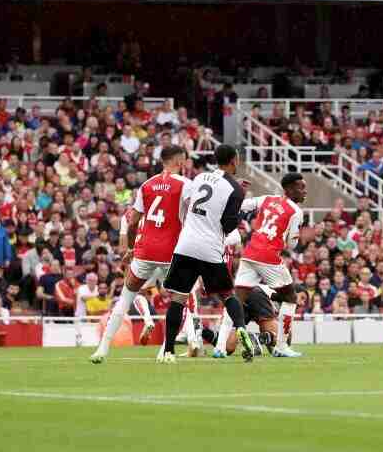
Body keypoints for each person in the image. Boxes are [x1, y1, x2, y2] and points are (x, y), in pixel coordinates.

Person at [91, 146, 190, 364]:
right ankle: (167, 349)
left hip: (145, 252)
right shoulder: (185, 185)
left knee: (125, 298)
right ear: (179, 162)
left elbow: (132, 217)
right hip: (170, 253)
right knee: (179, 300)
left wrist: (129, 244)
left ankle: (102, 348)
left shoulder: (146, 185)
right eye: (184, 161)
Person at [160, 144, 254, 363]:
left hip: (186, 245)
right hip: (210, 248)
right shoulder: (236, 189)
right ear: (234, 160)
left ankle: (169, 351)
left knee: (179, 298)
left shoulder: (199, 178)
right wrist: (238, 201)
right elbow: (229, 225)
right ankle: (240, 328)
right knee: (227, 294)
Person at [218, 172, 307, 358]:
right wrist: (291, 237)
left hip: (250, 253)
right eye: (301, 187)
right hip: (268, 256)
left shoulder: (268, 199)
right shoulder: (296, 212)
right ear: (289, 189)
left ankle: (219, 348)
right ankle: (282, 347)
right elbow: (292, 244)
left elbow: (242, 205)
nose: (304, 191)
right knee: (291, 297)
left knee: (236, 300)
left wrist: (238, 192)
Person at [201, 285, 280, 357]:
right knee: (279, 340)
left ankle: (202, 331)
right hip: (257, 294)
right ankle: (257, 338)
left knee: (228, 347)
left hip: (237, 295)